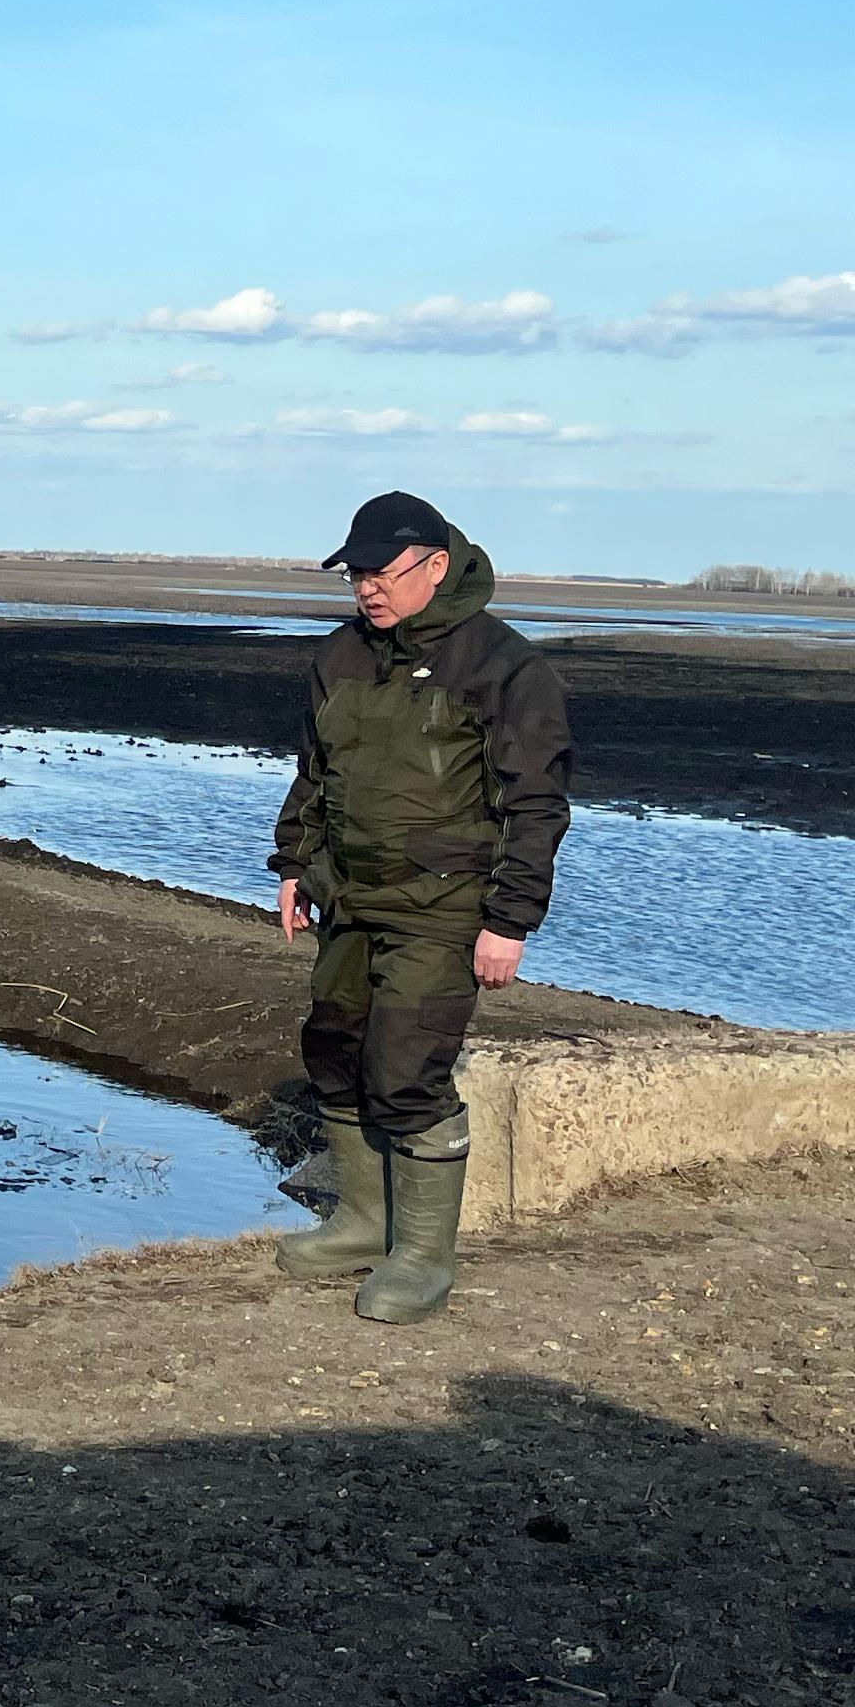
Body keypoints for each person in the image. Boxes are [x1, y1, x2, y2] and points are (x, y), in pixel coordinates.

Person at [268, 491, 574, 1324]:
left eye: (382, 573)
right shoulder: (341, 656)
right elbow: (315, 774)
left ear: (436, 566)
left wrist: (509, 920)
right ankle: (364, 1223)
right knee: (336, 1052)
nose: (367, 588)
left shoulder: (505, 667)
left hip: (444, 906)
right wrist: (295, 865)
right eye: (355, 575)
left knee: (407, 1071)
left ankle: (424, 1258)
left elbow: (536, 804)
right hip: (349, 898)